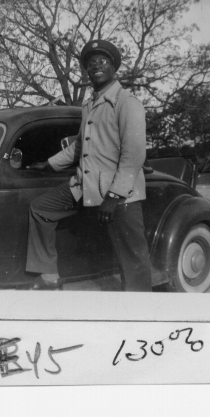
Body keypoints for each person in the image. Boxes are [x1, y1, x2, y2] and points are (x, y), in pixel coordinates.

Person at [25, 39, 151, 291]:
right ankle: (49, 277)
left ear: (113, 66)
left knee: (133, 257)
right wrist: (48, 164)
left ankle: (140, 312)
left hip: (120, 195)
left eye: (102, 61)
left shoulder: (128, 103)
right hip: (86, 186)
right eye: (90, 63)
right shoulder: (89, 106)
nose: (96, 66)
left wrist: (114, 196)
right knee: (41, 208)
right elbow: (79, 148)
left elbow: (134, 155)